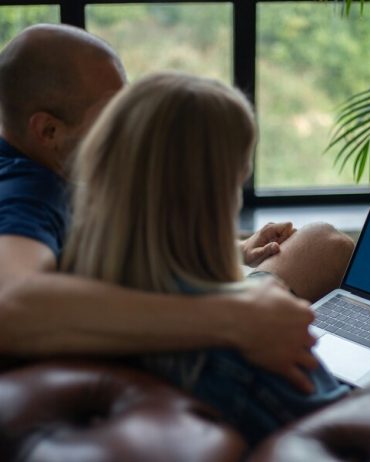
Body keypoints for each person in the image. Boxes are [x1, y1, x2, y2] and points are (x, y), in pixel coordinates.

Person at [0, 24, 354, 393]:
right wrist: (233, 316)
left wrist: (235, 251)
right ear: (48, 130)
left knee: (322, 242)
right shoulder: (25, 193)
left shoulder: (52, 168)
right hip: (175, 347)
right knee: (322, 248)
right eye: (112, 114)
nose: (128, 126)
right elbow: (11, 306)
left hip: (168, 308)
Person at [60, 71, 350, 443]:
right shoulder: (254, 342)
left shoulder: (75, 296)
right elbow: (346, 435)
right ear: (217, 194)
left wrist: (238, 255)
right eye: (238, 177)